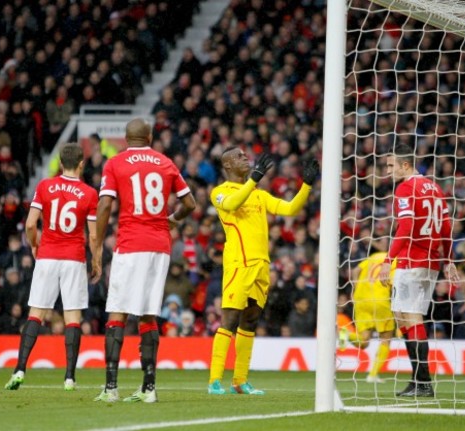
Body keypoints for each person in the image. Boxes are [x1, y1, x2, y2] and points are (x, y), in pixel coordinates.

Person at [91, 118, 196, 403]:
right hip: (160, 246)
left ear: (126, 139)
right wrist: (171, 221)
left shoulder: (114, 164)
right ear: (149, 136)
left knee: (118, 311)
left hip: (131, 243)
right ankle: (149, 388)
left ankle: (111, 388)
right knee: (148, 314)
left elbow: (104, 205)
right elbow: (190, 204)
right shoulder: (165, 162)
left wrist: (97, 245)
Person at [207, 147, 319, 395]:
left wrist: (306, 186)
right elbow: (235, 203)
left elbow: (289, 209)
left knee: (250, 321)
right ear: (227, 165)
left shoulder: (259, 195)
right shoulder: (219, 193)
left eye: (246, 156)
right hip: (238, 264)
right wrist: (254, 179)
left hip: (261, 265)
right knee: (230, 319)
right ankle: (215, 380)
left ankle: (240, 380)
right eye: (239, 157)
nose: (245, 158)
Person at [4, 143, 98, 391]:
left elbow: (30, 224)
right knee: (72, 317)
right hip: (74, 258)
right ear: (81, 164)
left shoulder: (45, 186)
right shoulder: (89, 193)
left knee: (36, 313)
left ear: (59, 161)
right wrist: (96, 259)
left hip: (47, 255)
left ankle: (19, 369)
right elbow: (94, 235)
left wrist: (35, 245)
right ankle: (69, 377)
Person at [379, 144, 458, 397]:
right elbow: (446, 227)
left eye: (391, 165)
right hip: (432, 261)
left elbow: (406, 225)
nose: (388, 170)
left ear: (405, 165)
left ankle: (423, 383)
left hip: (412, 259)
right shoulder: (435, 188)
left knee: (411, 317)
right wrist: (448, 260)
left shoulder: (405, 188)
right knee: (402, 316)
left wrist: (387, 259)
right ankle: (417, 380)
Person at [339, 251, 396, 384]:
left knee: (364, 341)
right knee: (386, 339)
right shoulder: (396, 260)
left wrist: (355, 288)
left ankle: (344, 334)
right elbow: (395, 283)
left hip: (361, 299)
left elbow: (355, 270)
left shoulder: (374, 257)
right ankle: (372, 375)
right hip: (380, 300)